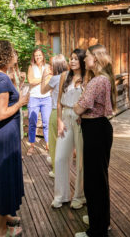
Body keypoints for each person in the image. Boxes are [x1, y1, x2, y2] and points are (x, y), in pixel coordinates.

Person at [0, 40, 29, 237]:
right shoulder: (2, 81)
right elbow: (1, 113)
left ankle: (0, 218)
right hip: (3, 135)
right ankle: (1, 230)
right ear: (6, 56)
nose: (16, 56)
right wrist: (21, 102)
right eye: (14, 53)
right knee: (3, 178)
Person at [73, 44, 116, 237]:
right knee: (100, 179)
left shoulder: (98, 81)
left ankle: (96, 231)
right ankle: (101, 221)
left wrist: (76, 104)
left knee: (93, 181)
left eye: (87, 56)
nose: (84, 59)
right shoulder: (102, 79)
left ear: (96, 59)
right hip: (99, 128)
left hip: (95, 130)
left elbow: (79, 108)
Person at [52, 49, 86, 210]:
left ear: (82, 61)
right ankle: (61, 195)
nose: (72, 61)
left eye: (75, 59)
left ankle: (79, 196)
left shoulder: (88, 77)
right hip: (65, 116)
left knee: (80, 160)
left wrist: (84, 114)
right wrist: (59, 121)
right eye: (70, 59)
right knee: (60, 157)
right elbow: (58, 101)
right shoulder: (65, 76)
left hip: (80, 119)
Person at [40, 54, 68, 177]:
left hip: (56, 111)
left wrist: (43, 76)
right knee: (64, 141)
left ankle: (56, 171)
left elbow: (42, 91)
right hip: (68, 111)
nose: (50, 67)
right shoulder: (69, 77)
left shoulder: (55, 78)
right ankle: (61, 164)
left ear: (56, 66)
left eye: (52, 65)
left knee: (54, 141)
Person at [26, 48, 51, 156]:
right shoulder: (31, 67)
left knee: (47, 123)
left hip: (46, 98)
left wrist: (41, 79)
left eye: (40, 55)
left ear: (43, 56)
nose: (38, 57)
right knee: (32, 123)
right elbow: (31, 81)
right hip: (34, 98)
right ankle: (31, 146)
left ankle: (48, 145)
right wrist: (44, 78)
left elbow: (50, 80)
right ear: (34, 57)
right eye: (36, 55)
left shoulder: (48, 67)